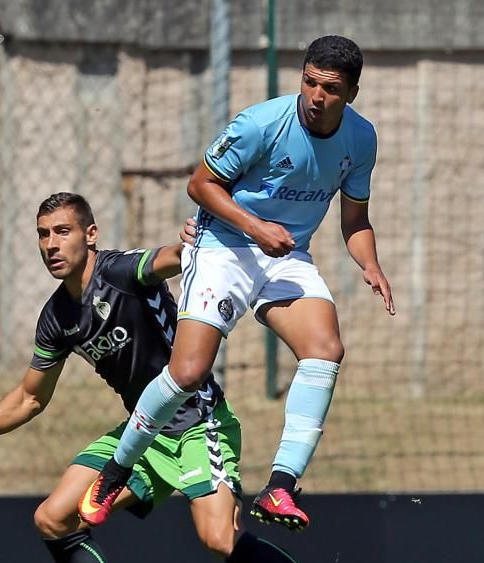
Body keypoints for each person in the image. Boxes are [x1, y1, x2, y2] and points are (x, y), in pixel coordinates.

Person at [0, 192, 380, 563]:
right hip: (139, 434)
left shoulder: (119, 272)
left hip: (199, 425)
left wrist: (189, 246)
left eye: (62, 232)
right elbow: (31, 398)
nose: (51, 244)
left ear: (90, 235)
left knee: (220, 540)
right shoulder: (56, 318)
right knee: (52, 518)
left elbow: (166, 261)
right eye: (43, 234)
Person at [80, 35, 395, 532]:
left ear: (352, 92)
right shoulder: (262, 123)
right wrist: (256, 227)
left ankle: (280, 488)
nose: (316, 96)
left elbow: (355, 221)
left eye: (330, 89)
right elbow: (200, 184)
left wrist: (370, 264)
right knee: (186, 373)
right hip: (224, 246)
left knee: (326, 349)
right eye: (309, 82)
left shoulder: (362, 139)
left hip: (286, 256)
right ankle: (116, 469)